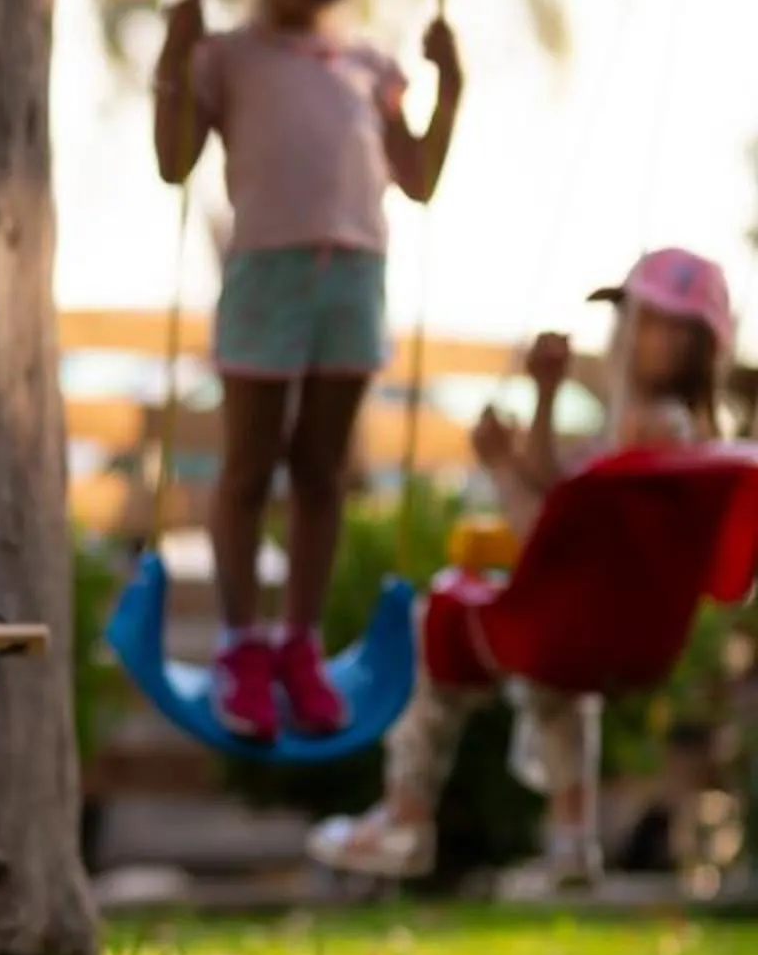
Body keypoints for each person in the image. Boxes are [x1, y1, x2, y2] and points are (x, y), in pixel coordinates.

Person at [309, 245, 734, 894]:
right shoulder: (684, 441)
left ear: (697, 346)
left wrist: (501, 468)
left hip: (567, 628)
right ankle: (571, 844)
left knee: (437, 624)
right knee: (556, 685)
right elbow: (565, 492)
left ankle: (406, 816)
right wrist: (545, 398)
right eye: (638, 320)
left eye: (661, 325)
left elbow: (546, 536)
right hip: (623, 637)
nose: (640, 338)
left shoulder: (651, 434)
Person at [155, 0, 464, 745]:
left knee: (324, 474)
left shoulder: (371, 64)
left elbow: (419, 178)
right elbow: (174, 160)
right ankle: (242, 645)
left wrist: (452, 91)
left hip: (355, 276)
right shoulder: (228, 57)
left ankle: (298, 643)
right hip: (268, 275)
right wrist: (175, 57)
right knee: (249, 470)